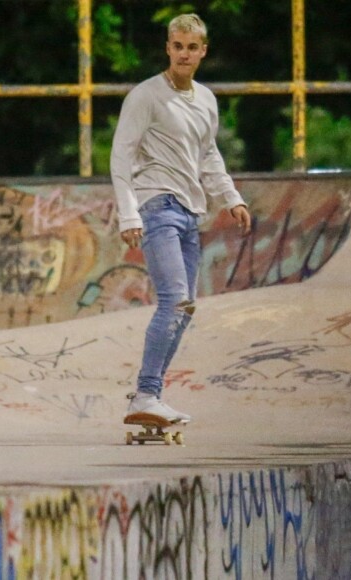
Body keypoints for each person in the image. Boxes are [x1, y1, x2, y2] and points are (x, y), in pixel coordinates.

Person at [110, 13, 251, 424]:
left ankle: (150, 394)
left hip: (191, 212)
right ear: (168, 49)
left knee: (186, 308)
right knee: (173, 300)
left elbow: (209, 155)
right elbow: (122, 154)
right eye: (177, 46)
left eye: (192, 47)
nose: (184, 54)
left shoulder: (206, 100)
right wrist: (127, 214)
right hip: (157, 207)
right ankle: (145, 395)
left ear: (203, 51)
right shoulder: (145, 96)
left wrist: (231, 197)